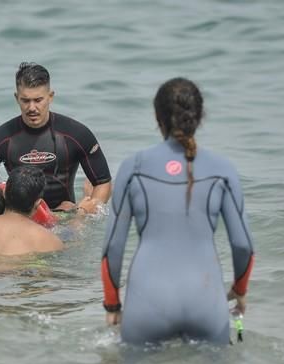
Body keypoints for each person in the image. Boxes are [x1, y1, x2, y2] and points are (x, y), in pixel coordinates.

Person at [100, 77, 254, 345]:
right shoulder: (223, 168)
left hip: (147, 304)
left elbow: (113, 247)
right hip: (206, 303)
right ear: (200, 116)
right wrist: (239, 291)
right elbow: (243, 246)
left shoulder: (132, 167)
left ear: (157, 117)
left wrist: (112, 306)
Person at [0, 62, 112, 214]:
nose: (32, 108)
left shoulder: (77, 134)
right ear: (16, 98)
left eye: (38, 100)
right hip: (21, 219)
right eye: (25, 100)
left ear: (50, 97)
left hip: (64, 218)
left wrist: (86, 213)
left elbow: (103, 183)